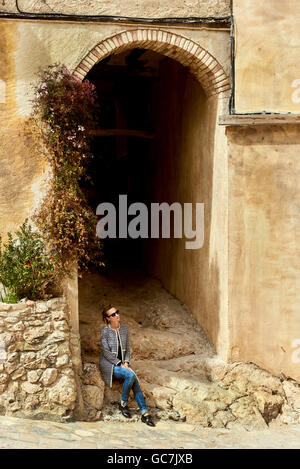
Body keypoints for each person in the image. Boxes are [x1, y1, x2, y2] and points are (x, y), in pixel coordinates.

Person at [99, 304, 155, 427]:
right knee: (130, 375)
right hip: (110, 365)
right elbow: (106, 352)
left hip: (123, 364)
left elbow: (127, 349)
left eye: (117, 312)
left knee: (133, 378)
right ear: (108, 318)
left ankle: (145, 413)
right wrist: (119, 363)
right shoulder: (105, 331)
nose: (117, 315)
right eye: (113, 314)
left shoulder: (124, 329)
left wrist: (126, 362)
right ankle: (124, 404)